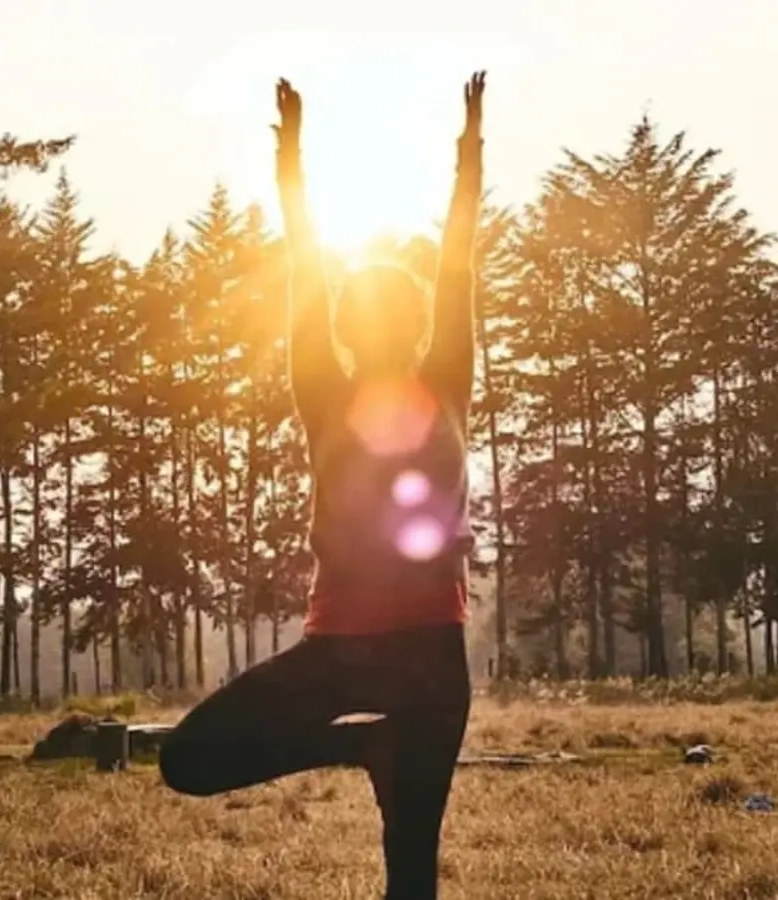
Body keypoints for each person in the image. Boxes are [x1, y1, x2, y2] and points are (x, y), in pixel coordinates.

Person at [159, 70, 486, 900]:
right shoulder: (422, 383)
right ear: (409, 326)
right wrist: (465, 155)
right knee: (410, 873)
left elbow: (320, 270)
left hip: (354, 657)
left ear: (349, 325)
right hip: (412, 663)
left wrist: (294, 164)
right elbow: (455, 266)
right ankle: (368, 747)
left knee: (187, 759)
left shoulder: (345, 391)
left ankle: (363, 746)